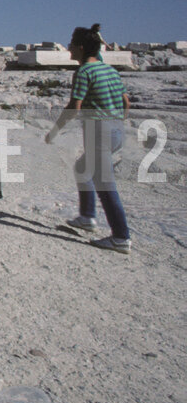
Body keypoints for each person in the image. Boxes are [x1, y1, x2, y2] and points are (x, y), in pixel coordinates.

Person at [45, 24, 131, 254]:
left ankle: (121, 237)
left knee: (105, 184)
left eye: (71, 45)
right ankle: (87, 217)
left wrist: (54, 131)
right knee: (82, 167)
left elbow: (74, 106)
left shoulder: (84, 72)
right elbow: (126, 102)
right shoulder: (110, 70)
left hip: (99, 131)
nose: (69, 48)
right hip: (117, 131)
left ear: (81, 48)